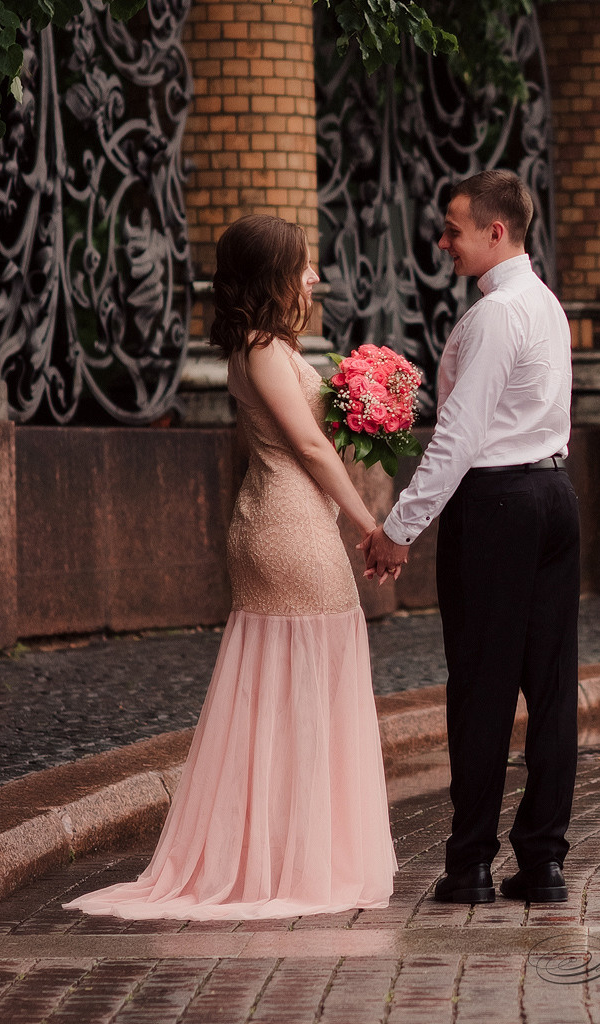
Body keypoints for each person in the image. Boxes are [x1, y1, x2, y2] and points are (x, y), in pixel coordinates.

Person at [67, 214, 395, 921]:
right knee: (310, 680)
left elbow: (312, 436)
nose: (314, 277)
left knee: (280, 686)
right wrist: (373, 525)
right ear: (275, 274)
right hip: (291, 526)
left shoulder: (262, 349)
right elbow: (307, 448)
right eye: (303, 266)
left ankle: (278, 850)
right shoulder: (265, 349)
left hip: (277, 520)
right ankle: (295, 861)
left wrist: (365, 412)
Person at [362, 170, 577, 906]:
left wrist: (398, 529)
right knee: (549, 689)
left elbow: (457, 437)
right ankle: (544, 862)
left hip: (499, 504)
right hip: (554, 495)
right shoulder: (546, 306)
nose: (443, 241)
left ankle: (471, 866)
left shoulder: (493, 318)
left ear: (496, 231)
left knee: (482, 689)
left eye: (454, 229)